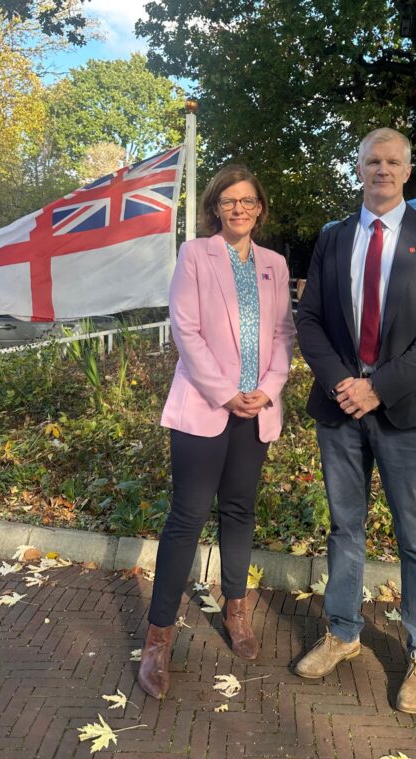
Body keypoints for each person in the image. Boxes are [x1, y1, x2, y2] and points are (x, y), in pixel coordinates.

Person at [294, 128, 416, 714]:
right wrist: (345, 382)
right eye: (372, 161)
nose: (382, 169)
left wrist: (379, 387)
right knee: (345, 526)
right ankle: (342, 631)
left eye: (393, 161)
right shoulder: (334, 239)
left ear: (408, 170)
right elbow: (309, 317)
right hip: (340, 406)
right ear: (359, 168)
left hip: (406, 410)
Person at [138, 165, 296, 700]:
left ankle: (236, 611)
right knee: (186, 516)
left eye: (248, 201)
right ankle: (158, 637)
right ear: (215, 207)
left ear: (260, 207)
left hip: (257, 410)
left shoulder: (274, 264)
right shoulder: (195, 255)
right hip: (206, 406)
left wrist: (267, 389)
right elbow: (185, 327)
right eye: (229, 201)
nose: (238, 209)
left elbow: (283, 333)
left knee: (240, 511)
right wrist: (226, 391)